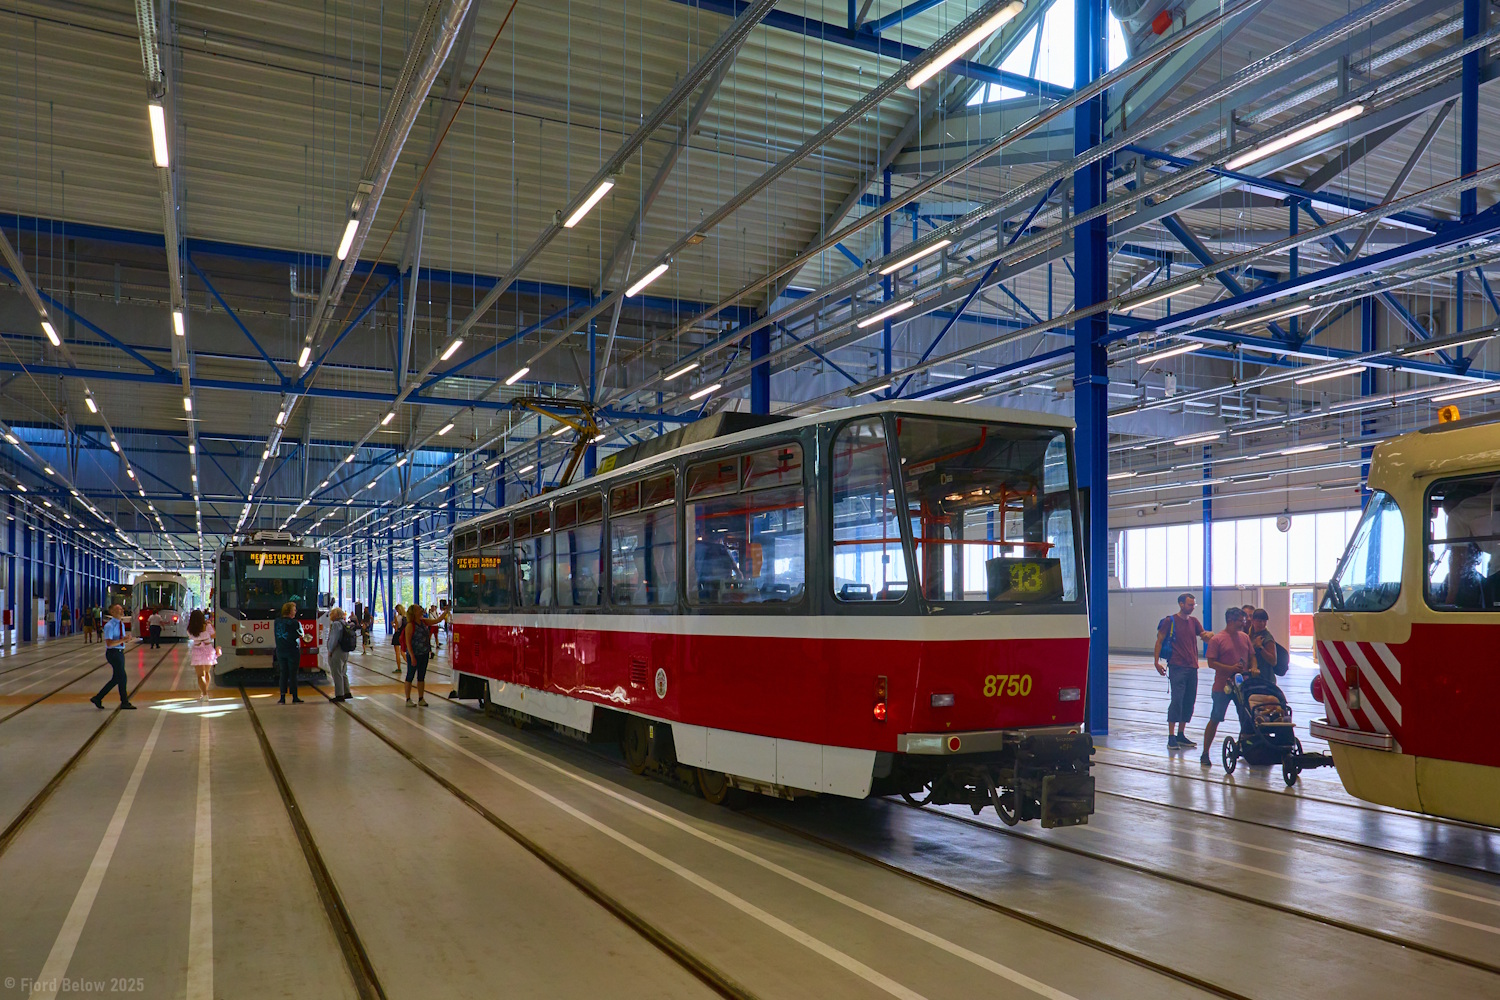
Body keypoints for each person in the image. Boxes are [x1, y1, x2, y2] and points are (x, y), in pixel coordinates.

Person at [1154, 592, 1214, 751]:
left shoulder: (1194, 622)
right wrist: (1156, 662)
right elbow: (1159, 641)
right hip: (1177, 666)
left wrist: (1211, 636)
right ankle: (1171, 736)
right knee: (1177, 700)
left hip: (1192, 667)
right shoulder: (1170, 621)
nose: (1192, 607)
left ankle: (1181, 734)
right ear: (1181, 604)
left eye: (1194, 604)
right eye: (1190, 604)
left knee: (1189, 701)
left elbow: (1203, 636)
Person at [1200, 608, 1252, 766]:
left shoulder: (1245, 637)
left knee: (1246, 718)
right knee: (1215, 717)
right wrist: (1230, 669)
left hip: (1242, 686)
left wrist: (1254, 667)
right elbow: (1211, 663)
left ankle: (1247, 748)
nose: (1244, 623)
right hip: (1222, 686)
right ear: (1231, 621)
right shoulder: (1217, 639)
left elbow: (1252, 656)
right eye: (1241, 621)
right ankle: (1205, 752)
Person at [90, 604, 136, 710]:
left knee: (117, 678)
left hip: (119, 652)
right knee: (122, 677)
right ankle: (124, 702)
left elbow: (119, 639)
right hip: (113, 653)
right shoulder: (109, 626)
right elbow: (109, 643)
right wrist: (123, 640)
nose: (122, 611)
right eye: (119, 609)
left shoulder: (121, 624)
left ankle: (98, 698)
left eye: (122, 609)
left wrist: (126, 639)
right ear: (112, 612)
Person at [403, 603, 449, 706]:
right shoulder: (410, 625)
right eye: (418, 608)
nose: (421, 609)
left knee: (421, 676)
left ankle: (421, 698)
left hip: (424, 654)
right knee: (410, 676)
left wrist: (445, 612)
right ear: (414, 612)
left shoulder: (424, 621)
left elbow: (437, 621)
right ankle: (408, 699)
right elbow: (408, 642)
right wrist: (412, 656)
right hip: (414, 654)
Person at [274, 601, 304, 704]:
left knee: (283, 673)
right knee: (293, 674)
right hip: (292, 651)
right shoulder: (295, 623)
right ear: (290, 611)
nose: (295, 612)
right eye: (294, 610)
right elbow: (301, 634)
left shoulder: (277, 621)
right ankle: (294, 696)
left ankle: (282, 697)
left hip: (280, 650)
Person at [186, 609, 218, 700]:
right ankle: (205, 692)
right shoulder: (207, 626)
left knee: (200, 675)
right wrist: (211, 625)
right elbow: (214, 635)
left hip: (197, 650)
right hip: (208, 650)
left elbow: (190, 637)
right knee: (207, 672)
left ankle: (204, 694)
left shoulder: (190, 629)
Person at [326, 607, 352, 702]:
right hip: (345, 651)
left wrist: (330, 650)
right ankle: (347, 692)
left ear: (336, 615)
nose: (330, 616)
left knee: (336, 672)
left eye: (332, 614)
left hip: (337, 651)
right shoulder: (344, 623)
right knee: (343, 672)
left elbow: (334, 639)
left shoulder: (336, 624)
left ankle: (339, 695)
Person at [391, 604, 408, 675]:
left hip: (397, 635)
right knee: (403, 652)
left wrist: (393, 624)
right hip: (403, 636)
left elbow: (396, 628)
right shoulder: (405, 617)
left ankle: (399, 668)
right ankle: (411, 664)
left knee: (397, 653)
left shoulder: (398, 617)